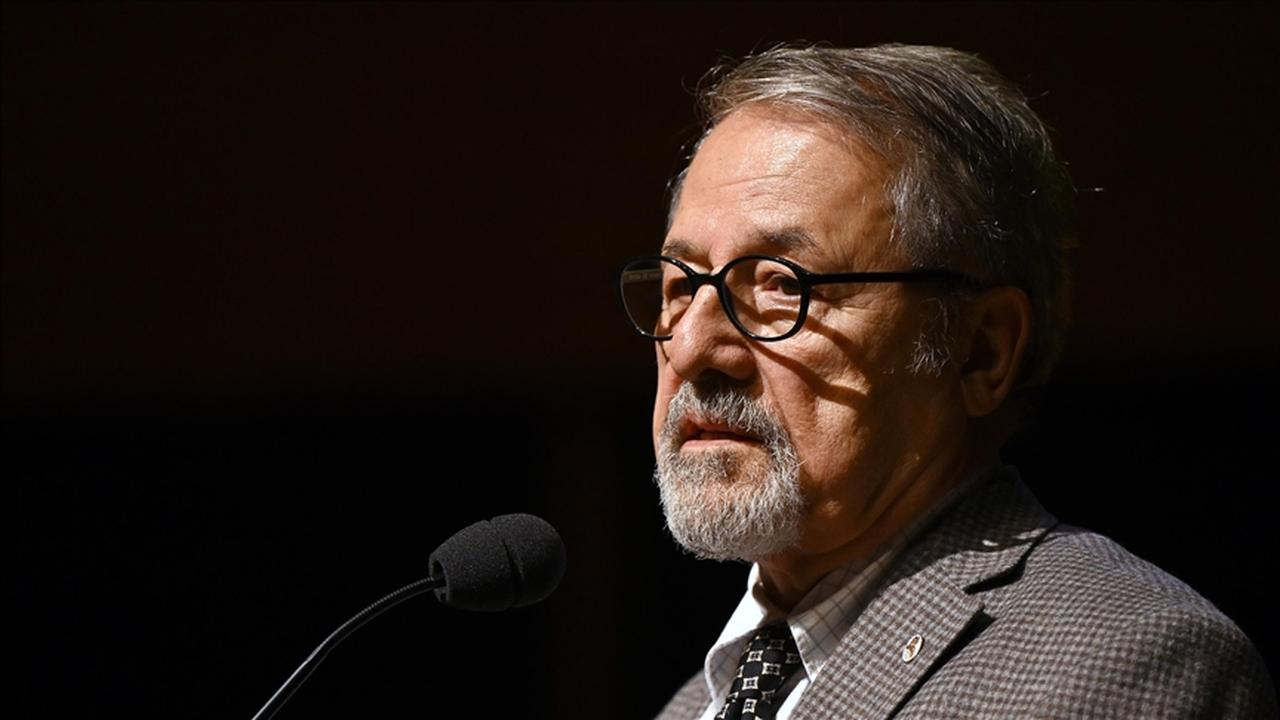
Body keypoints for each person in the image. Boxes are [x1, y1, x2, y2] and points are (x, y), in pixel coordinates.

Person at [618, 44, 1277, 719]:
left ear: (981, 353)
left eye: (784, 286)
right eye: (679, 286)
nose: (695, 345)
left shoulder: (1115, 663)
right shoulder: (695, 705)